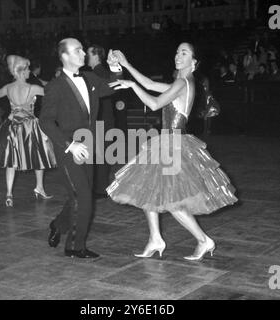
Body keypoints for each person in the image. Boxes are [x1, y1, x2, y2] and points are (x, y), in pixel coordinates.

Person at [107, 43, 238, 261]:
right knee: (149, 190)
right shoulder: (181, 82)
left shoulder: (183, 82)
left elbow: (155, 103)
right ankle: (156, 239)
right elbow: (149, 83)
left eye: (184, 53)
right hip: (167, 142)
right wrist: (126, 64)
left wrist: (131, 86)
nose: (178, 55)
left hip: (174, 144)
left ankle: (203, 240)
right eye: (177, 51)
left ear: (193, 63)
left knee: (172, 200)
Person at [39, 38, 122, 259]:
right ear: (65, 56)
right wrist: (69, 145)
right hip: (68, 150)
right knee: (84, 196)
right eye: (78, 50)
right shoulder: (55, 87)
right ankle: (74, 247)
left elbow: (113, 87)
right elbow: (45, 121)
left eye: (83, 49)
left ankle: (58, 224)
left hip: (89, 146)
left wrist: (115, 68)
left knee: (79, 195)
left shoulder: (90, 77)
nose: (83, 53)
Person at [0, 55, 56, 207]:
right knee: (39, 157)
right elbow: (52, 93)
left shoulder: (8, 88)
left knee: (10, 161)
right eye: (27, 69)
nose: (29, 72)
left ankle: (9, 194)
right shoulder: (33, 88)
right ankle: (39, 187)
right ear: (22, 71)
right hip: (29, 126)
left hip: (12, 126)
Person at [87, 44, 116, 198]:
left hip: (102, 119)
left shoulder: (99, 72)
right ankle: (99, 187)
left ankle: (100, 188)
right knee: (101, 153)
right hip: (103, 118)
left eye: (88, 53)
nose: (86, 56)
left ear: (96, 55)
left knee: (101, 153)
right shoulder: (98, 72)